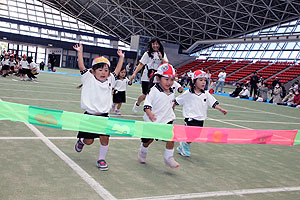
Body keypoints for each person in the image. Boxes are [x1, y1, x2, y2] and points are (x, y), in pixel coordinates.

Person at [73, 43, 124, 171]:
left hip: (104, 116)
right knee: (89, 141)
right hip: (89, 116)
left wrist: (121, 58)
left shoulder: (110, 80)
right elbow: (81, 66)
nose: (103, 72)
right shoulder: (88, 78)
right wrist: (80, 52)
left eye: (106, 70)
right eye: (100, 69)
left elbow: (117, 71)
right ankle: (82, 141)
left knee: (105, 138)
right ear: (93, 71)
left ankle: (101, 159)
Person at [174, 70, 227, 157]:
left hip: (201, 118)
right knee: (190, 135)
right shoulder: (188, 93)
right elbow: (177, 100)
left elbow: (213, 103)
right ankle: (185, 145)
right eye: (200, 80)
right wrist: (172, 107)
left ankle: (183, 144)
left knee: (196, 136)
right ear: (194, 81)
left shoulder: (206, 94)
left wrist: (221, 109)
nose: (203, 82)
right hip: (190, 118)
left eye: (205, 80)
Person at [138, 63, 179, 168]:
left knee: (171, 137)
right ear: (158, 78)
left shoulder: (172, 89)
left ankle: (168, 158)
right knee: (148, 140)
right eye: (166, 79)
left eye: (172, 79)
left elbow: (171, 99)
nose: (169, 82)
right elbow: (147, 104)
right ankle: (143, 152)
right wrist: (150, 114)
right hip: (152, 121)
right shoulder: (154, 91)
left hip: (167, 120)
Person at [130, 38, 168, 113]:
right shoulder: (147, 54)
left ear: (159, 45)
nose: (155, 45)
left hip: (156, 78)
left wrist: (161, 57)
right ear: (151, 45)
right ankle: (137, 104)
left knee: (154, 95)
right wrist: (134, 73)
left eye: (156, 44)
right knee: (145, 94)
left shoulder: (162, 54)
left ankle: (150, 110)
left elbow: (166, 65)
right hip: (146, 77)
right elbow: (141, 64)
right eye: (153, 44)